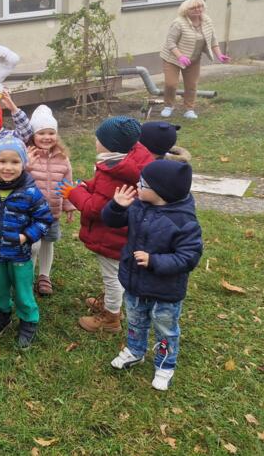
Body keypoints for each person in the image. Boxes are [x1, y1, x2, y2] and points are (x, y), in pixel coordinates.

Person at [103, 160, 203, 391]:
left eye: (142, 183)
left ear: (160, 191)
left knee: (165, 328)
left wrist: (154, 261)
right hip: (135, 283)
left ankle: (165, 365)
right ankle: (135, 351)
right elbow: (111, 221)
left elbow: (189, 257)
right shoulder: (139, 206)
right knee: (135, 321)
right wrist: (117, 206)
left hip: (165, 291)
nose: (137, 186)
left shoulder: (184, 221)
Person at [57, 116, 153, 333]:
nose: (95, 141)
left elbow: (95, 208)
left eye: (98, 138)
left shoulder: (116, 172)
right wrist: (86, 185)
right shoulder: (124, 160)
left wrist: (74, 193)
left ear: (110, 144)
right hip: (121, 233)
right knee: (114, 274)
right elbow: (101, 186)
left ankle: (111, 317)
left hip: (112, 235)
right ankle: (112, 304)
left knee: (112, 276)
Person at [0, 138, 53, 349]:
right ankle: (1, 313)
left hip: (19, 253)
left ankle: (28, 319)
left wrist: (26, 236)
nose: (8, 167)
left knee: (22, 289)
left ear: (24, 164)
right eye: (2, 161)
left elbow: (44, 219)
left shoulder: (31, 192)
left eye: (15, 162)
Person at [24, 105, 75, 296]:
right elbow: (19, 178)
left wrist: (69, 205)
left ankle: (44, 275)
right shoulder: (28, 154)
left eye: (51, 133)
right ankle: (28, 276)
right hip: (31, 212)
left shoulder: (63, 158)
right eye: (41, 133)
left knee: (48, 241)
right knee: (33, 244)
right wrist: (27, 165)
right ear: (33, 135)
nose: (47, 137)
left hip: (53, 211)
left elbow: (67, 183)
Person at [160, 0, 231, 120]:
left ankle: (189, 109)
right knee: (171, 84)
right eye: (193, 8)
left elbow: (213, 40)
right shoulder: (178, 23)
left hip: (193, 59)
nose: (198, 9)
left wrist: (219, 55)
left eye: (200, 6)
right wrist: (180, 56)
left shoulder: (207, 21)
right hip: (172, 59)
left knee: (191, 85)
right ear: (186, 10)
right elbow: (170, 42)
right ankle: (168, 106)